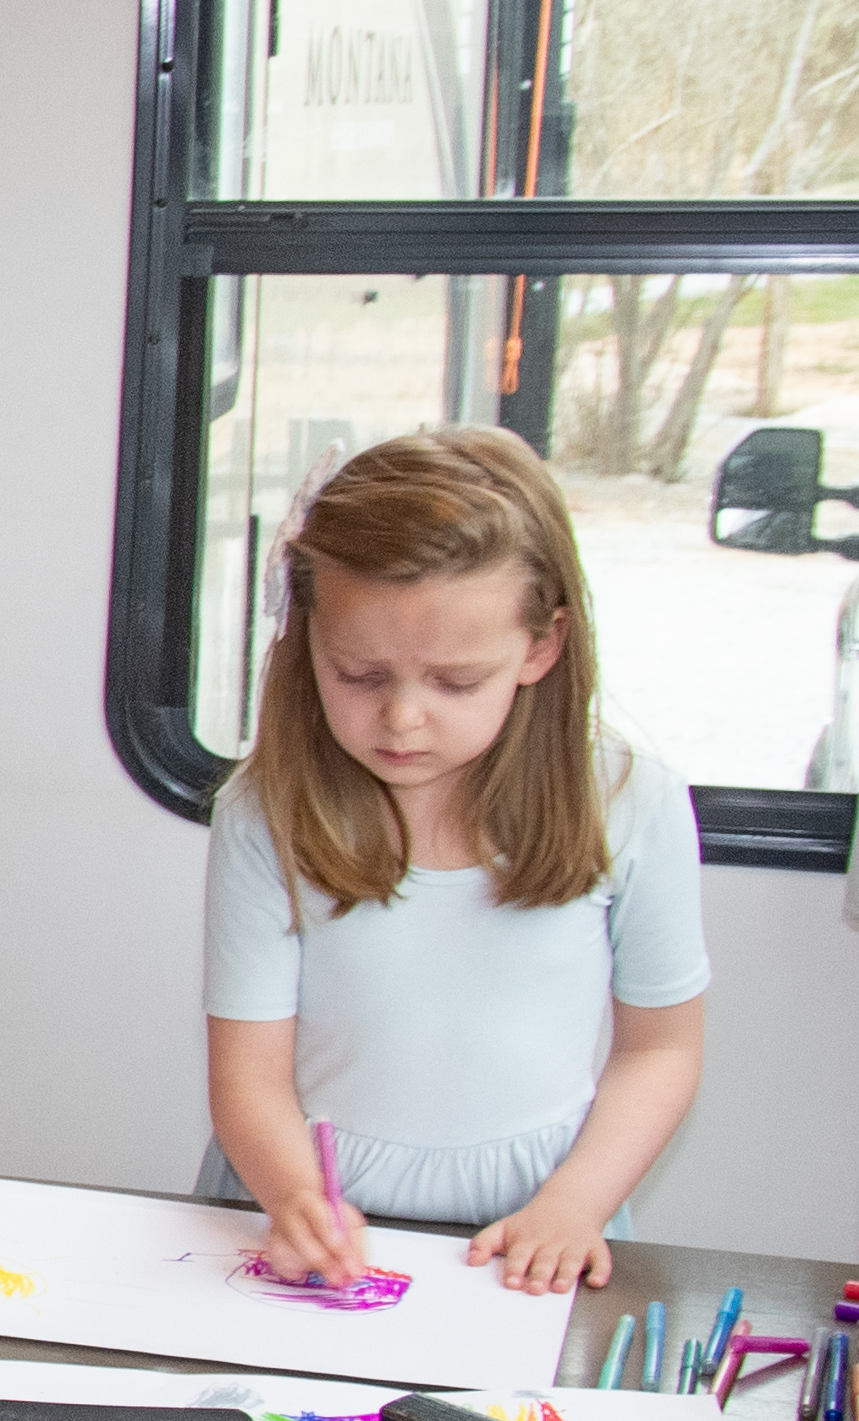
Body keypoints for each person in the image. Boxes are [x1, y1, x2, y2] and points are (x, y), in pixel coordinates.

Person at [202, 425, 707, 1296]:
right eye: (358, 673)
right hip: (305, 1205)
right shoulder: (262, 812)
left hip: (536, 1221)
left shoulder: (632, 800)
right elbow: (246, 1070)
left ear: (541, 647)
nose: (400, 719)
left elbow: (658, 1051)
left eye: (454, 681)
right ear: (305, 635)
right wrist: (293, 1196)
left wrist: (575, 1201)